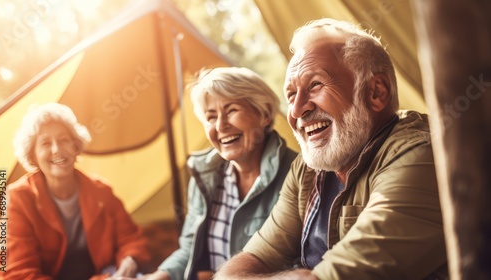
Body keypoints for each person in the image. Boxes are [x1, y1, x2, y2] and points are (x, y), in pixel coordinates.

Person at [214, 19, 448, 279]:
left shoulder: (421, 156)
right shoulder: (306, 170)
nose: (296, 109)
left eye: (315, 85)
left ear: (376, 92)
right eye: (291, 94)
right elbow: (241, 266)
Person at [141, 67, 298, 280]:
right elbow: (188, 251)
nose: (221, 126)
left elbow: (301, 262)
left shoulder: (296, 174)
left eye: (232, 110)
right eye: (211, 117)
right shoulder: (205, 175)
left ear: (265, 115)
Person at [0, 103, 150, 280]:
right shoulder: (16, 199)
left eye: (64, 140)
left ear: (76, 147)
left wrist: (130, 260)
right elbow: (14, 273)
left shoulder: (101, 191)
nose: (57, 150)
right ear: (33, 156)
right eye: (45, 143)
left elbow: (131, 239)